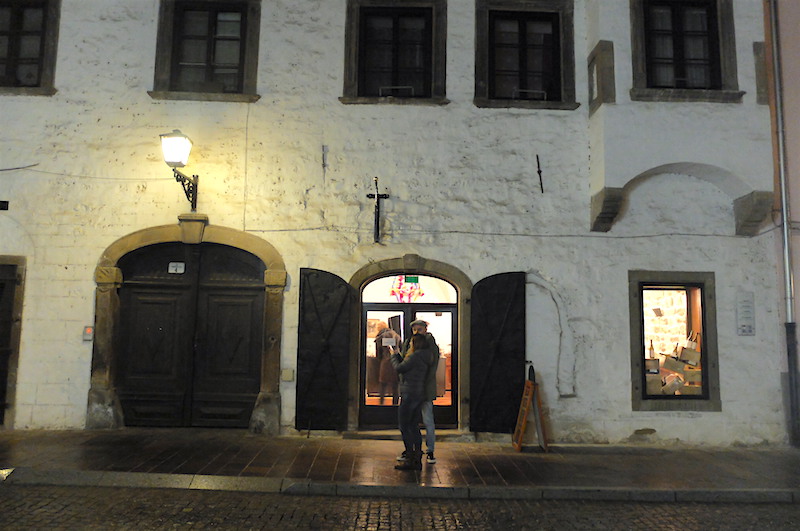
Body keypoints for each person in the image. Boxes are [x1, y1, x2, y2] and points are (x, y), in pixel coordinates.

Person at [390, 334, 435, 470]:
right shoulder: (426, 356)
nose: (409, 346)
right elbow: (405, 365)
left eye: (411, 344)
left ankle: (410, 456)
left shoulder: (415, 356)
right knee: (414, 425)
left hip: (409, 393)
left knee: (404, 425)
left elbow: (399, 368)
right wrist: (398, 355)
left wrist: (393, 355)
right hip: (418, 393)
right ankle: (417, 457)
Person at [398, 319, 439, 464]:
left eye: (419, 329)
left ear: (425, 329)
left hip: (422, 388)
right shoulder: (409, 342)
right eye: (414, 329)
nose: (416, 332)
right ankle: (413, 451)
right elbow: (404, 361)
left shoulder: (428, 344)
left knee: (427, 420)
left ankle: (430, 450)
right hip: (411, 387)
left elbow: (432, 366)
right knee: (412, 421)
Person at [375, 324, 401, 404]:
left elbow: (378, 352)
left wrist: (380, 359)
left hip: (385, 363)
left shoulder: (380, 337)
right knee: (395, 386)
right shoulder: (396, 335)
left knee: (383, 385)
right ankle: (395, 405)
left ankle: (381, 404)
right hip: (395, 363)